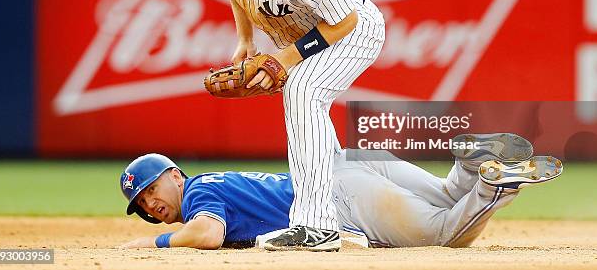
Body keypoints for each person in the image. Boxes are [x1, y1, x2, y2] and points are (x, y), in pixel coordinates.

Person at [201, 0, 386, 251]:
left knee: (303, 90)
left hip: (354, 28)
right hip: (301, 34)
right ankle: (340, 218)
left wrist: (284, 59)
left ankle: (316, 226)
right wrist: (247, 40)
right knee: (307, 109)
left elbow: (344, 21)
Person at [118, 133, 563, 250]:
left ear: (175, 175)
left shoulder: (197, 196)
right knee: (448, 196)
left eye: (152, 189)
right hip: (345, 164)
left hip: (339, 199)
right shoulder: (212, 183)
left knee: (442, 234)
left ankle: (489, 184)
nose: (151, 205)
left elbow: (208, 234)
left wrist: (154, 242)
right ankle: (470, 166)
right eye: (142, 206)